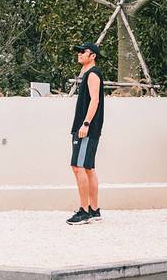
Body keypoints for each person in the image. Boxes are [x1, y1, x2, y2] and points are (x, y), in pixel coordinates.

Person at [66, 42, 105, 225]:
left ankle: (84, 212)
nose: (79, 54)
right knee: (88, 168)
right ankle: (94, 210)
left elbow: (95, 100)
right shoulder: (88, 74)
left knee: (78, 167)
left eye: (83, 51)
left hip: (86, 128)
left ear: (93, 56)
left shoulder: (93, 74)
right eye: (79, 51)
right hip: (87, 127)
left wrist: (86, 124)